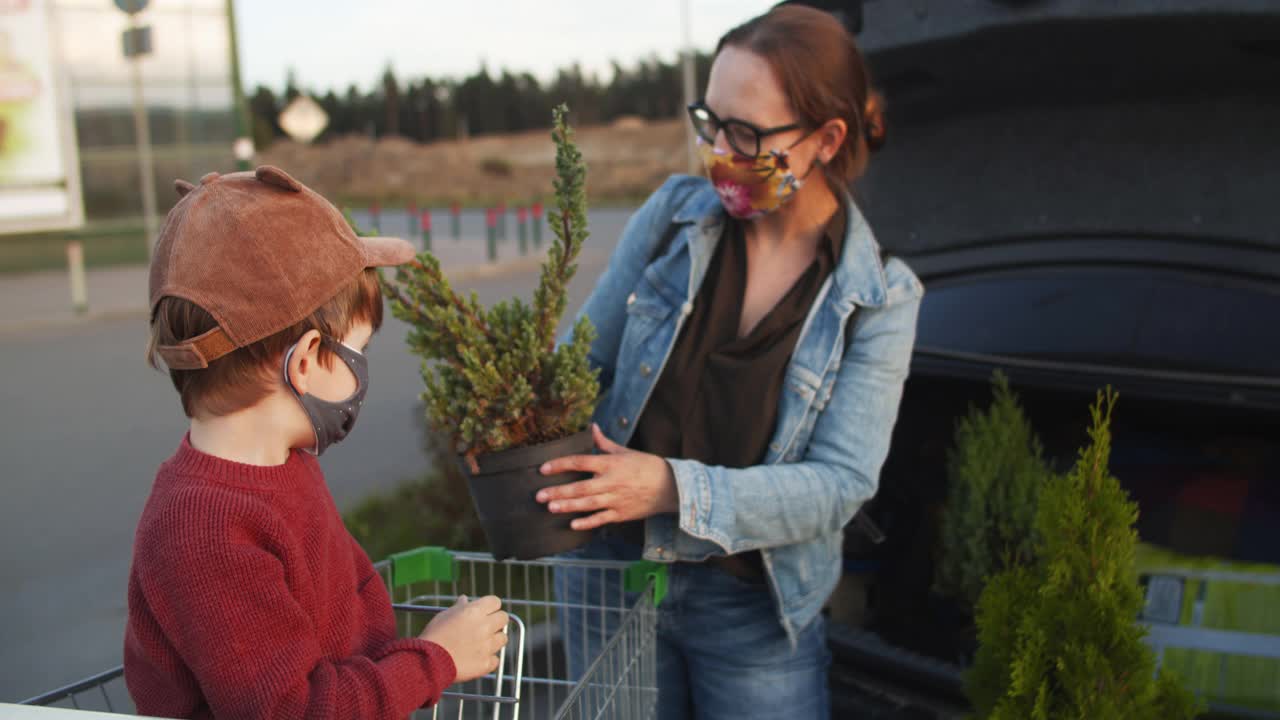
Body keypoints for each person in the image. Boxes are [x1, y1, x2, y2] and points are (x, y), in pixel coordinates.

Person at [538, 6, 922, 718]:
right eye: (709, 121)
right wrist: (506, 419)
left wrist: (673, 490)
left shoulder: (877, 299)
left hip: (753, 606)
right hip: (608, 573)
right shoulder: (673, 216)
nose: (717, 149)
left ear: (826, 140)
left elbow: (840, 485)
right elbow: (580, 363)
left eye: (745, 132)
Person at [124, 166, 507, 719]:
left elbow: (347, 601)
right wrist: (436, 659)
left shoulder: (286, 463)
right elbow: (294, 710)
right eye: (359, 350)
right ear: (305, 361)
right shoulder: (203, 529)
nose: (364, 372)